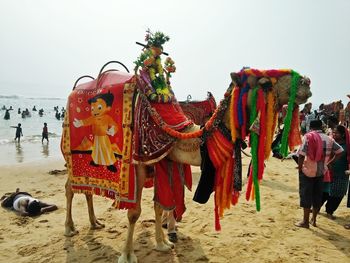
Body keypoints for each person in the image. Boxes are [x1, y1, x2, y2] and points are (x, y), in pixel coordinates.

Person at [295, 120, 343, 228]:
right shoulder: (329, 139)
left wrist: (299, 168)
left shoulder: (308, 137)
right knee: (317, 196)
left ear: (311, 127)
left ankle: (305, 222)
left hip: (307, 171)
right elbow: (340, 151)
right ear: (321, 127)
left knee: (306, 195)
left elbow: (301, 155)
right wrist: (330, 163)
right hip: (321, 172)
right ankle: (314, 220)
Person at [73, 92, 118, 172]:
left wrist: (112, 130)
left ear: (108, 108)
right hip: (97, 137)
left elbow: (114, 125)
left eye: (99, 108)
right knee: (96, 150)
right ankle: (96, 161)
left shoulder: (107, 118)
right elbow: (86, 121)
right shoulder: (93, 118)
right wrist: (80, 123)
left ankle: (109, 164)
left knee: (106, 150)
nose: (95, 111)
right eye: (93, 109)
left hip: (104, 137)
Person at [320, 125, 350, 219]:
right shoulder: (330, 142)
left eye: (336, 133)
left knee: (338, 194)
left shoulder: (347, 146)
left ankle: (330, 211)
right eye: (333, 132)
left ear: (343, 135)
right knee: (324, 191)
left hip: (341, 173)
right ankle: (316, 207)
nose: (334, 134)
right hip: (328, 171)